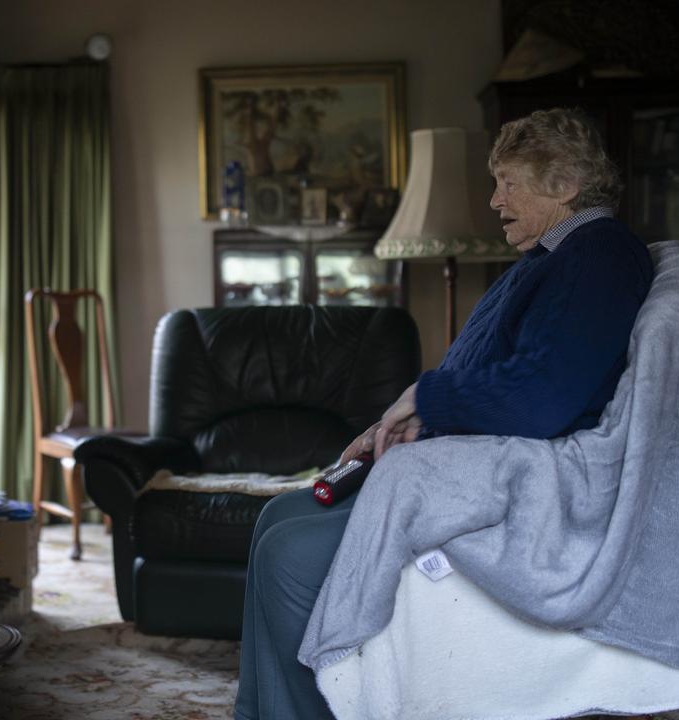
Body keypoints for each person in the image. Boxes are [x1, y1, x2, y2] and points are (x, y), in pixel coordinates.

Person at [233, 108, 655, 720]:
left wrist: (424, 402)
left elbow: (542, 399)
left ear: (564, 185)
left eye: (509, 182)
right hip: (456, 458)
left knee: (290, 556)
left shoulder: (599, 256)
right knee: (277, 516)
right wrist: (398, 423)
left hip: (509, 487)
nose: (494, 200)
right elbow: (490, 380)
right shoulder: (553, 257)